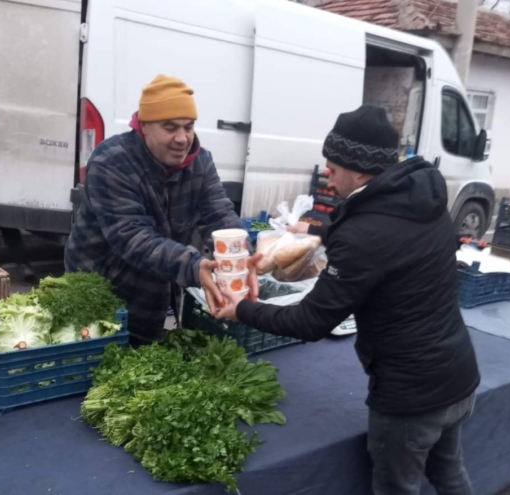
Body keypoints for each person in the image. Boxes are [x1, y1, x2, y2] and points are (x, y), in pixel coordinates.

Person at [218, 105, 480, 495]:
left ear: (359, 170)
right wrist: (315, 232)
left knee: (397, 487)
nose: (327, 172)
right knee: (450, 474)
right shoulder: (423, 201)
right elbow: (378, 238)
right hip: (458, 375)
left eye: (334, 165)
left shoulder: (364, 235)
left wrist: (242, 309)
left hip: (410, 397)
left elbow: (310, 323)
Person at [65, 75, 257, 344]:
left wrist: (241, 255)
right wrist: (193, 265)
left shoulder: (200, 162)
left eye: (188, 127)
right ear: (144, 125)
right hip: (100, 289)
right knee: (92, 365)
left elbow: (220, 215)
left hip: (152, 290)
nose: (182, 138)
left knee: (145, 352)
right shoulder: (112, 161)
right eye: (170, 127)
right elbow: (131, 237)